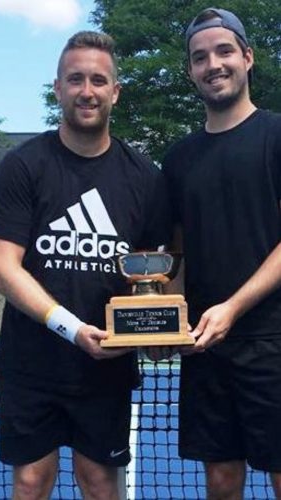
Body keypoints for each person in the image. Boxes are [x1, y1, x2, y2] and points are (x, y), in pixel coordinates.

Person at [0, 31, 170, 499]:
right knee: (31, 480)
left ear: (115, 92)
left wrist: (151, 332)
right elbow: (2, 268)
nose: (88, 90)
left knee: (101, 483)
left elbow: (152, 278)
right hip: (30, 363)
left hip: (105, 368)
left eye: (99, 80)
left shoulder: (144, 177)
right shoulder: (22, 166)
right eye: (76, 79)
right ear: (58, 88)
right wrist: (72, 328)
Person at [160, 8, 281, 497]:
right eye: (200, 56)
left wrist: (232, 307)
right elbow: (177, 255)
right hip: (206, 346)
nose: (213, 63)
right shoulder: (179, 158)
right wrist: (165, 322)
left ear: (248, 58)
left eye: (224, 51)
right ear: (191, 70)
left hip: (273, 341)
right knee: (221, 479)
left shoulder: (276, 134)